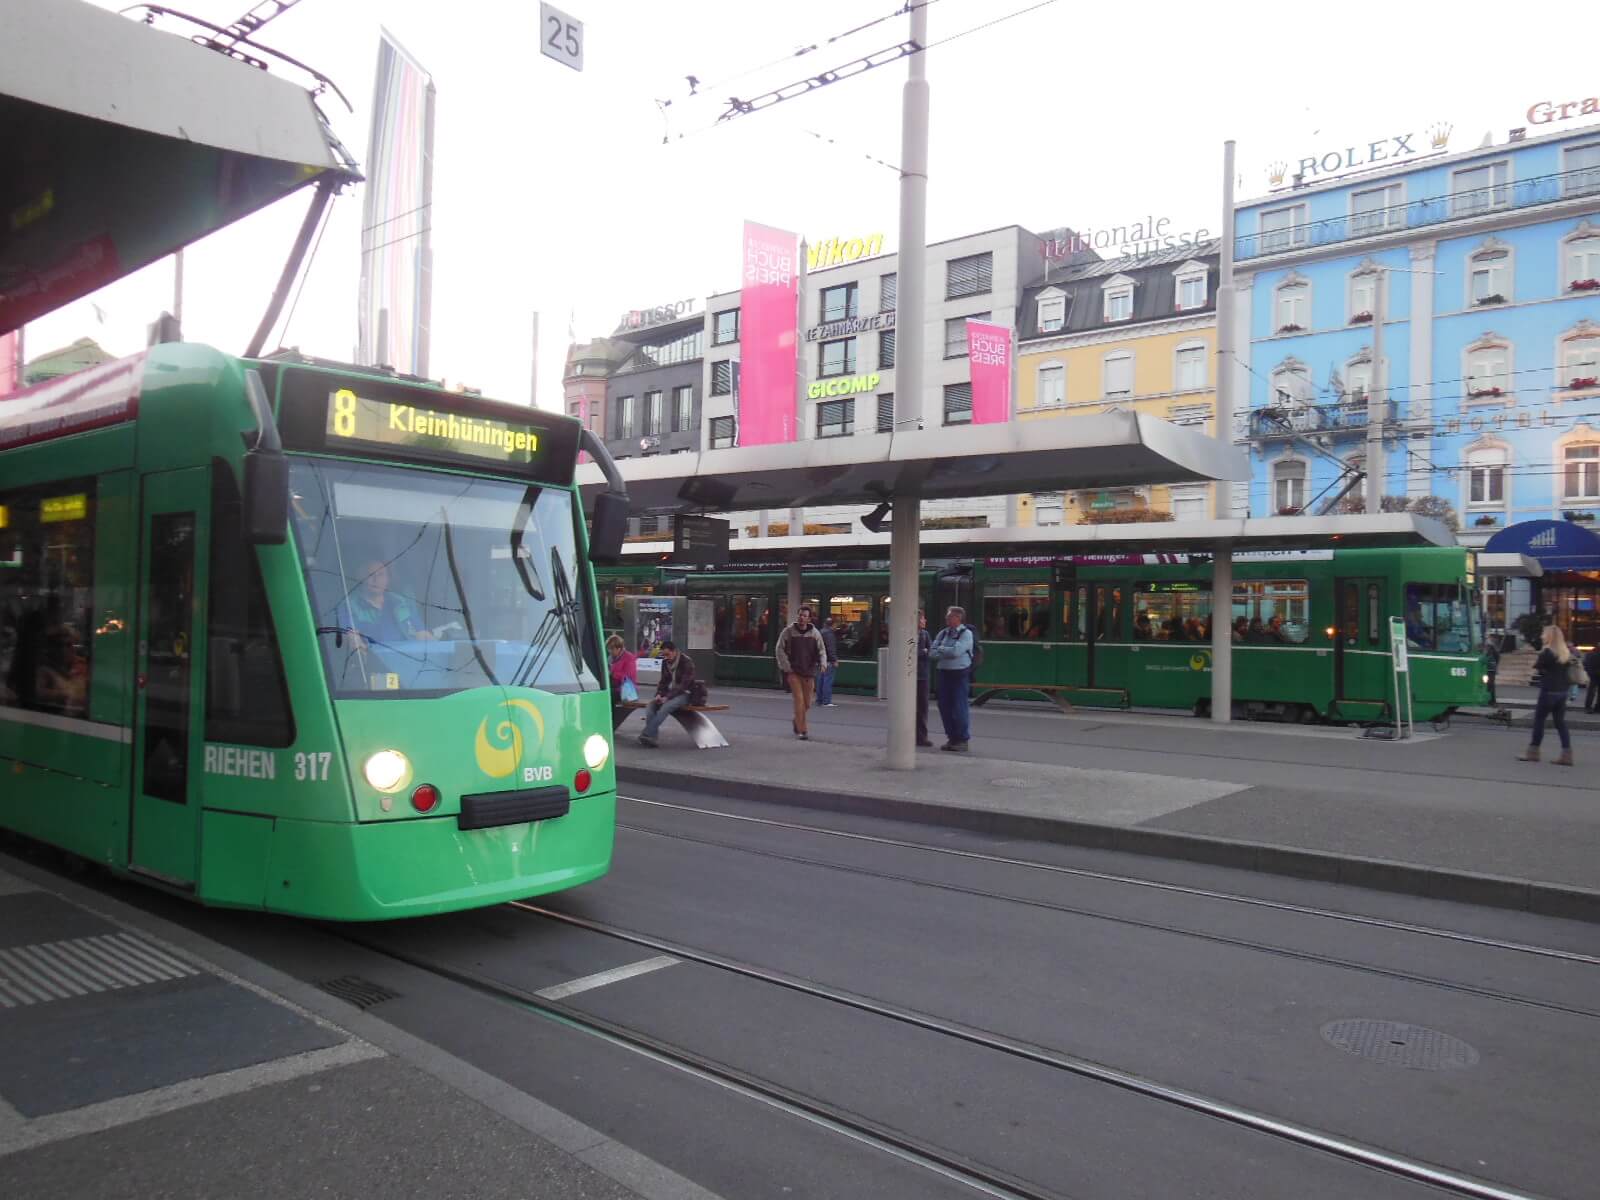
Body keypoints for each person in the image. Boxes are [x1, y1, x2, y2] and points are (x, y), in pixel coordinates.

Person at [1519, 625, 1575, 766]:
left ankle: (1533, 752)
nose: (1541, 636)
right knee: (1560, 723)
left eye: (1544, 634)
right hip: (1562, 692)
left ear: (1549, 636)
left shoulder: (1547, 652)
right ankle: (1567, 754)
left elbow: (1538, 667)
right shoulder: (1565, 653)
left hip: (1548, 691)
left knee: (1539, 720)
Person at [775, 604, 829, 740]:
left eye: (804, 616)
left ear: (809, 619)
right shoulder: (788, 631)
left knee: (807, 703)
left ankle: (796, 720)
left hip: (809, 672)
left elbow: (822, 650)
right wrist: (787, 667)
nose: (801, 618)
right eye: (800, 615)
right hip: (794, 672)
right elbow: (779, 649)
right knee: (799, 701)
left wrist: (823, 663)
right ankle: (802, 730)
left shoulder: (815, 633)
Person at [348, 560, 431, 648]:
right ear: (361, 577)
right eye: (371, 575)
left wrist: (426, 637)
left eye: (381, 575)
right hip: (373, 655)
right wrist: (352, 639)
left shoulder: (401, 602)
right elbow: (347, 635)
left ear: (387, 579)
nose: (376, 580)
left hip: (408, 654)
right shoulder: (349, 606)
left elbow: (421, 631)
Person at [638, 640, 703, 747]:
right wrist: (659, 694)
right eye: (663, 655)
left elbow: (683, 685)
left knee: (666, 707)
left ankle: (647, 734)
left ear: (675, 651)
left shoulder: (686, 662)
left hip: (686, 693)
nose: (666, 657)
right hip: (669, 693)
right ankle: (652, 738)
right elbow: (663, 681)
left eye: (668, 654)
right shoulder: (665, 663)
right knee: (650, 706)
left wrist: (668, 697)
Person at [929, 605, 975, 752]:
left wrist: (941, 649)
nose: (946, 618)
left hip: (959, 673)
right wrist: (946, 650)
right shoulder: (943, 633)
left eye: (949, 616)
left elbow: (957, 652)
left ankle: (962, 739)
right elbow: (932, 653)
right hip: (943, 672)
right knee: (944, 706)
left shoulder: (966, 634)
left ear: (958, 618)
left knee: (959, 706)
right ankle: (952, 738)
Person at [607, 634, 638, 728]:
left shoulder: (629, 657)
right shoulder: (611, 658)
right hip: (614, 685)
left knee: (609, 695)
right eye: (609, 649)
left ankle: (610, 724)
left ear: (619, 648)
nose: (610, 651)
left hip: (626, 689)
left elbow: (628, 676)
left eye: (612, 649)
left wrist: (612, 674)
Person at [915, 609, 934, 748]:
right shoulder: (909, 635)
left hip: (923, 675)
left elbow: (931, 651)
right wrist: (924, 651)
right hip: (911, 676)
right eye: (922, 619)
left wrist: (924, 651)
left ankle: (921, 737)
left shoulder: (925, 634)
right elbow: (911, 653)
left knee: (922, 708)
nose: (925, 621)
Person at [817, 615, 840, 707]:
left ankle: (820, 699)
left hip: (821, 660)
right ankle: (826, 701)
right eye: (836, 625)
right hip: (828, 661)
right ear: (833, 625)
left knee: (821, 680)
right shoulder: (830, 634)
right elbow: (830, 648)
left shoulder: (820, 632)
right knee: (828, 680)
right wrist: (834, 659)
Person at [1483, 637, 1500, 706]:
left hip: (1489, 671)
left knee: (1489, 686)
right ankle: (1491, 701)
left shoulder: (1490, 652)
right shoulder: (1494, 652)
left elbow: (1486, 659)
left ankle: (1491, 701)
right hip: (1491, 670)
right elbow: (1497, 660)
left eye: (1488, 645)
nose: (1487, 647)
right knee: (1490, 686)